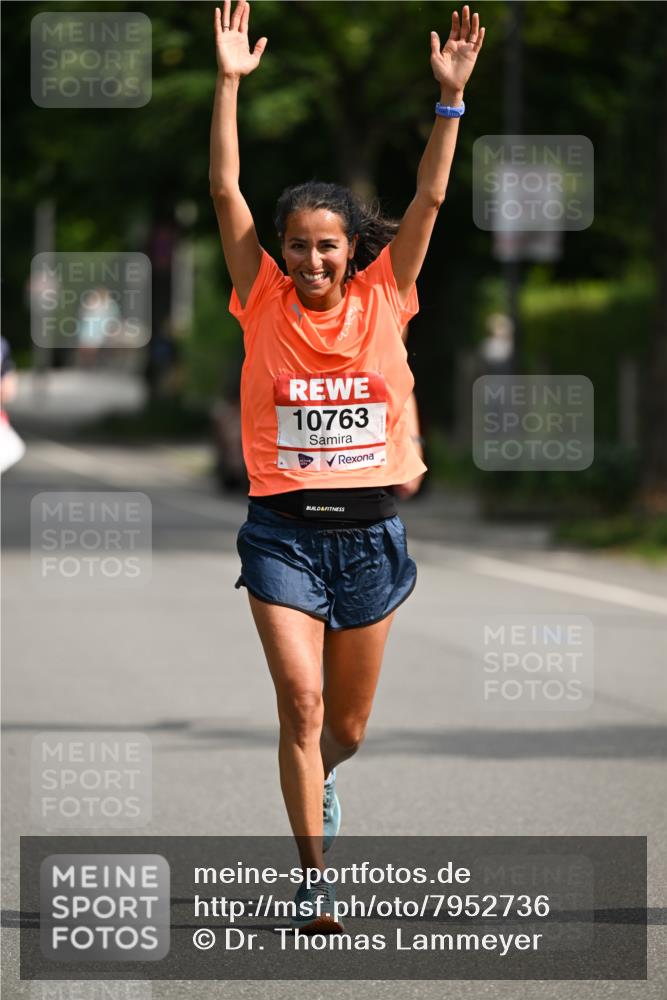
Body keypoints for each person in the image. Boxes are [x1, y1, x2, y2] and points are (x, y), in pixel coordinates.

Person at [210, 0, 485, 933]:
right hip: (283, 531)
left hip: (369, 536)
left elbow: (432, 200)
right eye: (299, 245)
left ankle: (323, 781)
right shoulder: (262, 298)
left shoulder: (387, 294)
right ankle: (314, 881)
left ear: (348, 249)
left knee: (346, 729)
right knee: (299, 701)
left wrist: (448, 102)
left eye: (328, 244)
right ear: (281, 256)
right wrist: (228, 84)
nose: (314, 258)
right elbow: (224, 194)